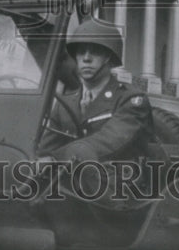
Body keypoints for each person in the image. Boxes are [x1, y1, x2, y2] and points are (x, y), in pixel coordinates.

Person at [37, 17, 155, 220]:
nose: (86, 58)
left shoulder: (132, 100)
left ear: (109, 57)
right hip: (74, 188)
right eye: (81, 52)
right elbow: (43, 151)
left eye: (95, 52)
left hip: (120, 193)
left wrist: (53, 159)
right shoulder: (65, 104)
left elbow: (106, 141)